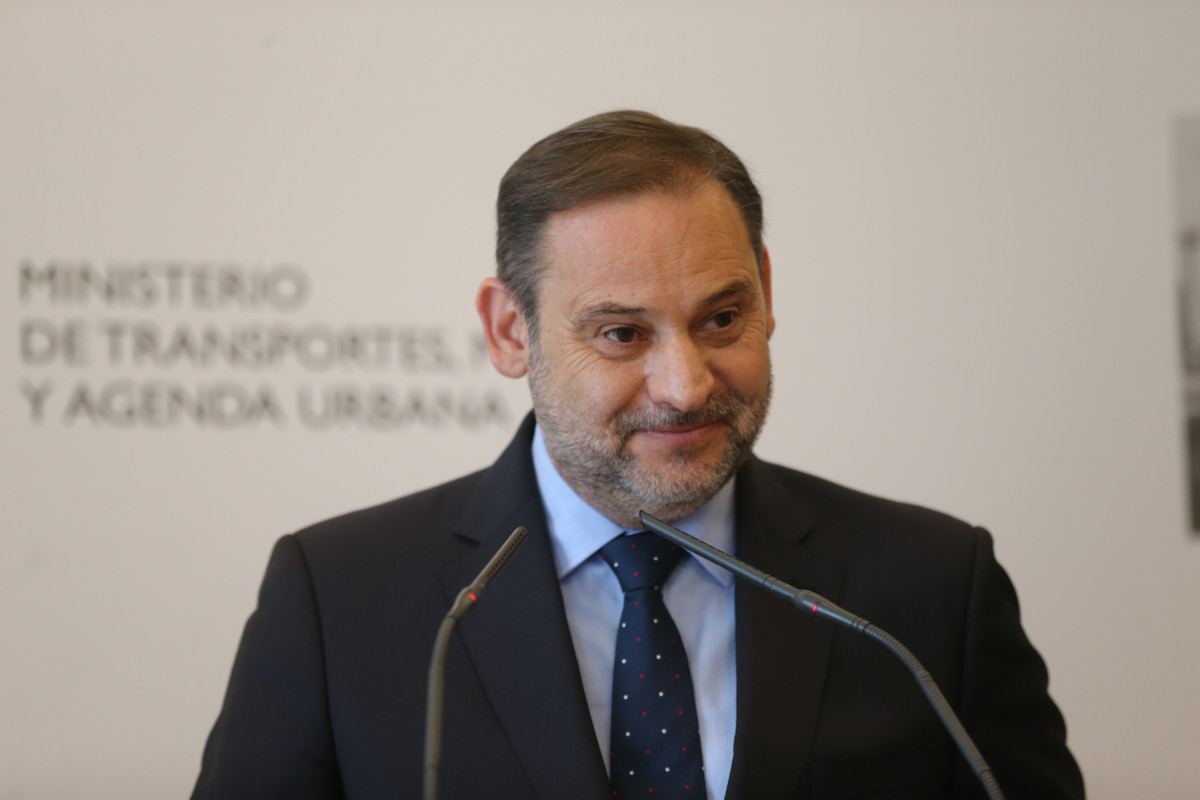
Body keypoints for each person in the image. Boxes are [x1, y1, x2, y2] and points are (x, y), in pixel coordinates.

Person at [192, 110, 1085, 800]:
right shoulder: (339, 599)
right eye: (622, 333)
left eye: (722, 318)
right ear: (510, 331)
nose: (686, 386)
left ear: (767, 291)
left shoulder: (930, 588)